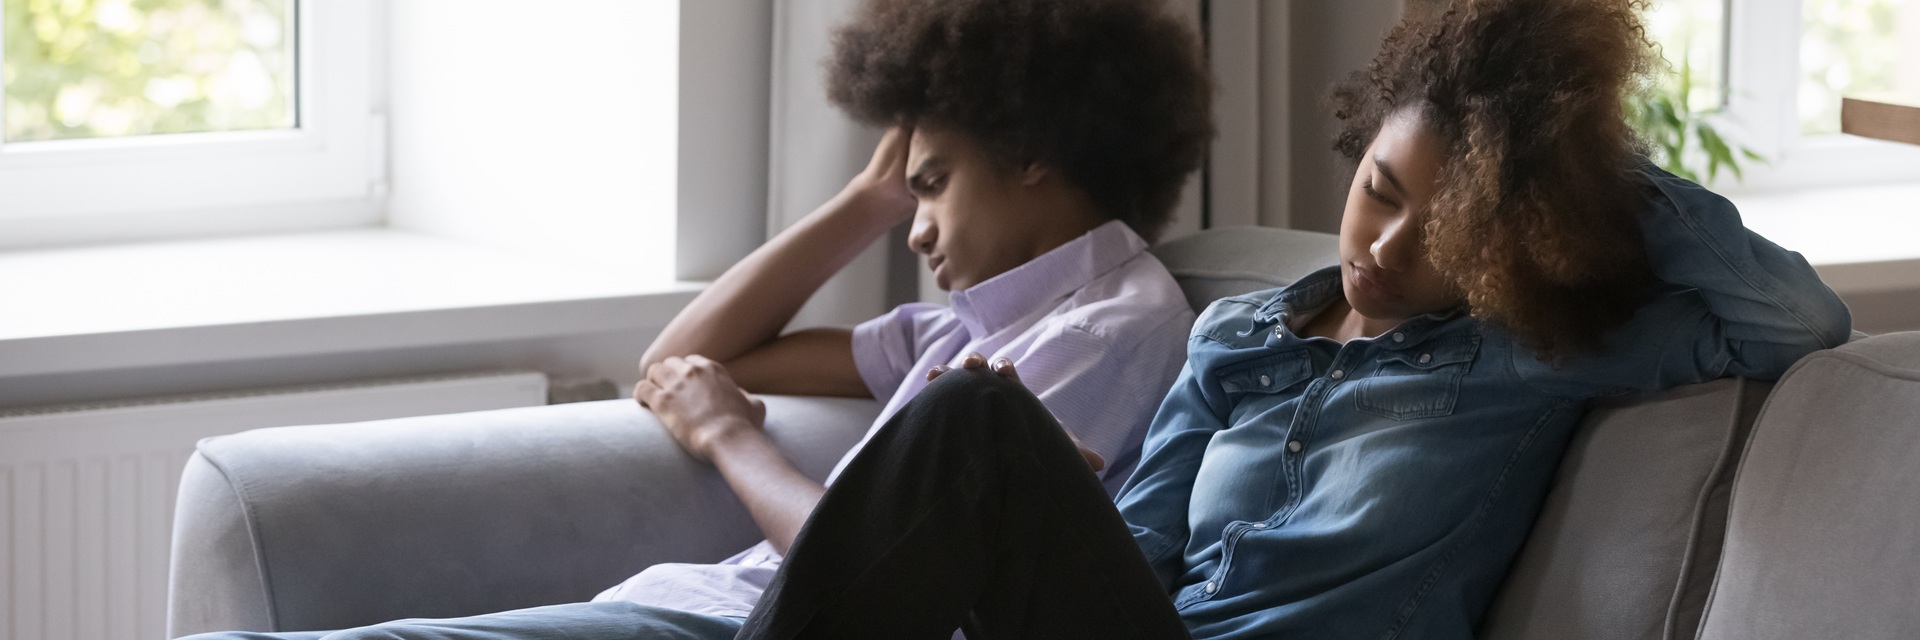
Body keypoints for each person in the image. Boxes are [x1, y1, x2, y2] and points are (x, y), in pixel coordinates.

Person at [717, 0, 1856, 638]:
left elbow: (1795, 316)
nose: (1385, 252)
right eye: (1382, 192)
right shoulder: (1237, 338)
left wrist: (1588, 177)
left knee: (964, 416)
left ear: (1512, 243)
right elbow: (1148, 560)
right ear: (1358, 150)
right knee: (976, 420)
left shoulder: (1534, 356)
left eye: (1452, 232)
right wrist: (1056, 497)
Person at [179, 0, 1212, 639]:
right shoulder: (955, 330)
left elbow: (887, 569)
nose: (918, 229)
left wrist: (730, 438)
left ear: (1035, 152)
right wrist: (866, 197)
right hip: (699, 603)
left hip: (740, 622)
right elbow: (682, 359)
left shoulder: (1111, 323)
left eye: (933, 187)